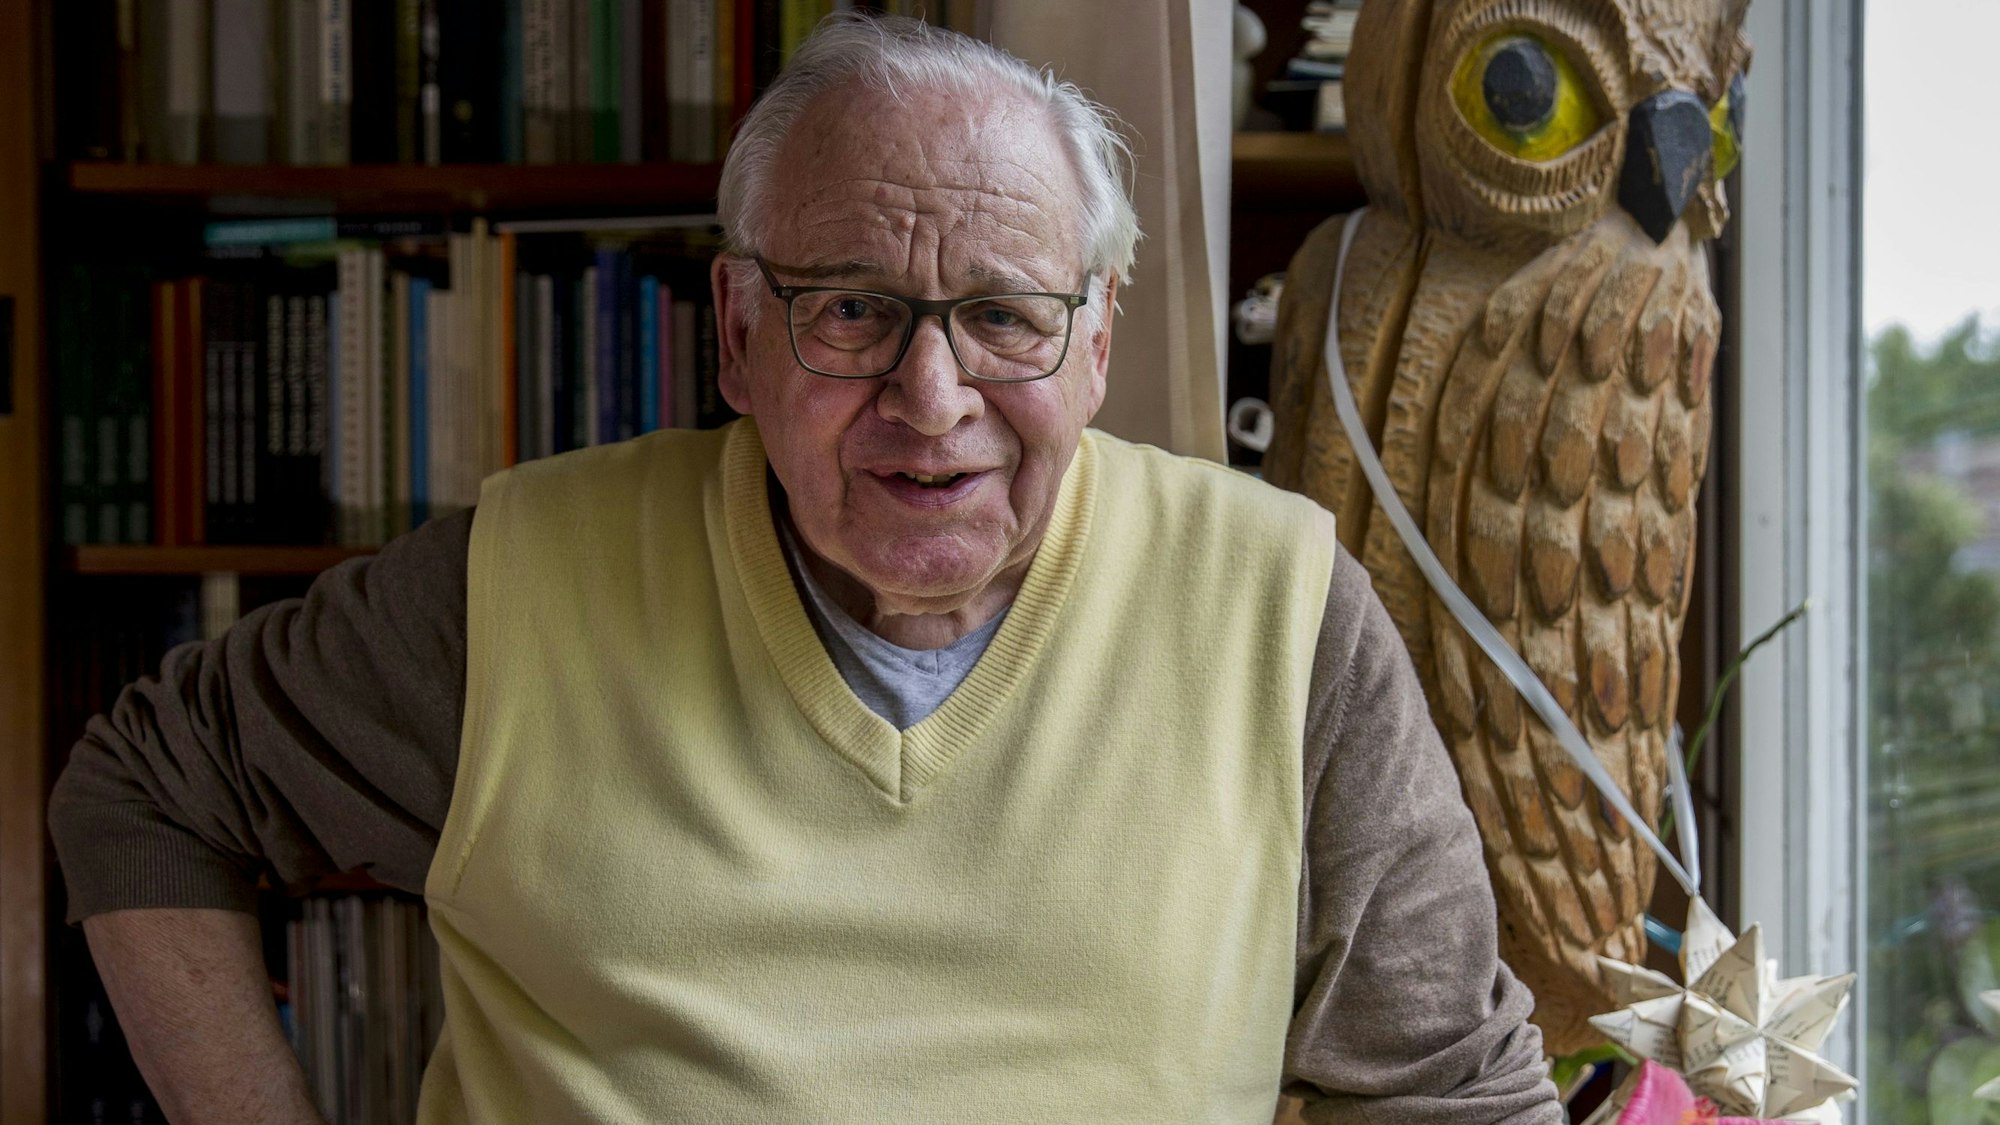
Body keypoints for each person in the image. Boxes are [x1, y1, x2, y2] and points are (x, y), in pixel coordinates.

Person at [50, 15, 1562, 1124]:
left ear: (1098, 341)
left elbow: (1456, 1095)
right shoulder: (512, 586)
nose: (932, 396)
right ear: (734, 331)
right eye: (850, 309)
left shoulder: (1281, 609)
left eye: (1005, 317)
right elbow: (141, 790)